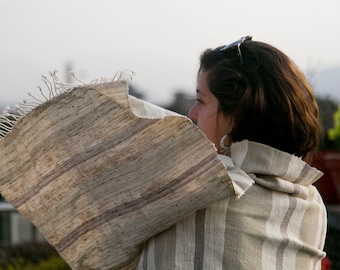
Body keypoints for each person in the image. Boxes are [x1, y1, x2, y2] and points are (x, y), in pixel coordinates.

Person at [136, 36, 327, 269]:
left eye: (201, 101)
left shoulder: (189, 191)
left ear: (236, 116)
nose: (192, 113)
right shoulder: (310, 202)